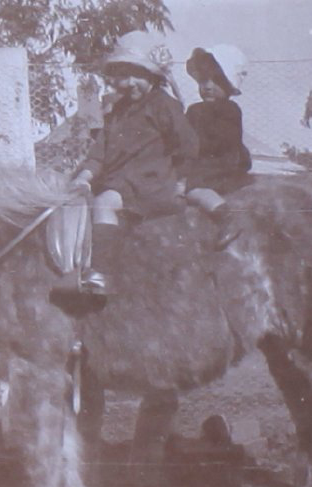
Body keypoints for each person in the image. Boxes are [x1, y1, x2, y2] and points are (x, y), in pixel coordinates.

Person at [56, 31, 199, 297]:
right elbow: (98, 155)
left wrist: (181, 181)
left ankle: (100, 273)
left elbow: (187, 146)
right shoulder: (116, 113)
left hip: (151, 184)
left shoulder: (164, 106)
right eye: (123, 76)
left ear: (153, 76)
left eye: (137, 75)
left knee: (104, 203)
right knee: (74, 206)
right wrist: (83, 178)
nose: (129, 82)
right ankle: (69, 268)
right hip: (121, 183)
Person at [183, 44, 253, 250]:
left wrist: (194, 144)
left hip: (221, 164)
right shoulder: (194, 109)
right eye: (204, 80)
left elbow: (224, 140)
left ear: (229, 86)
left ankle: (225, 216)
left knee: (193, 188)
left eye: (216, 81)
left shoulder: (229, 110)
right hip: (201, 161)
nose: (208, 86)